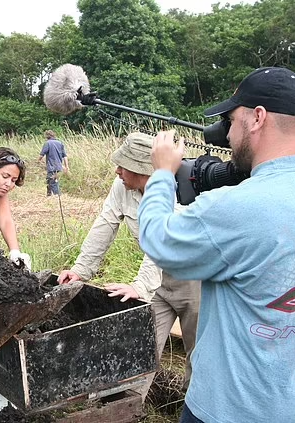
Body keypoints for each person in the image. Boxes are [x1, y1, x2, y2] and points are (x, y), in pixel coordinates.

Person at [138, 67, 295, 422]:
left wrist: (161, 172)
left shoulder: (234, 208)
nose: (228, 133)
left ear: (257, 118)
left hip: (230, 408)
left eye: (232, 120)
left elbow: (158, 240)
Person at [57, 132, 200, 401]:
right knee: (140, 348)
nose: (117, 171)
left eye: (123, 166)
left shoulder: (179, 191)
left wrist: (139, 286)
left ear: (142, 168)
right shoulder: (121, 187)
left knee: (198, 353)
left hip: (195, 281)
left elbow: (163, 244)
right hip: (158, 285)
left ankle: (192, 409)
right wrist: (80, 270)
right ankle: (128, 408)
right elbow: (105, 224)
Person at [38, 130, 69, 196]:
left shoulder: (47, 143)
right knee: (50, 180)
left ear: (47, 136)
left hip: (51, 166)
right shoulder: (60, 143)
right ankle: (49, 195)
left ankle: (57, 195)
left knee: (52, 181)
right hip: (59, 166)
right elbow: (65, 156)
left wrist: (38, 161)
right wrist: (66, 166)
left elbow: (42, 154)